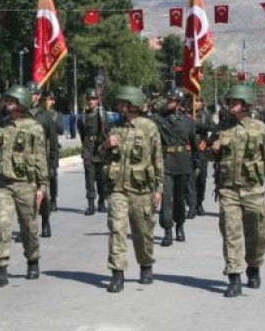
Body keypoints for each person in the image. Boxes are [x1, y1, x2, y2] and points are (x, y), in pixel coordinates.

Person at [207, 85, 265, 298]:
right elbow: (209, 157)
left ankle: (254, 266)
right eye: (229, 102)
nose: (230, 105)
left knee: (257, 235)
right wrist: (213, 151)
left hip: (253, 190)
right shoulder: (221, 128)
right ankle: (234, 277)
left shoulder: (260, 128)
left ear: (246, 104)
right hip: (228, 190)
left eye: (235, 102)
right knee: (231, 234)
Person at [100, 86, 163, 293]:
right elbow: (102, 155)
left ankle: (146, 264)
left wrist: (158, 188)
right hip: (118, 188)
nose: (118, 106)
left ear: (131, 104)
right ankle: (117, 273)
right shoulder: (114, 127)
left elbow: (157, 159)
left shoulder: (149, 128)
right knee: (117, 229)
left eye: (122, 103)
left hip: (142, 189)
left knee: (142, 231)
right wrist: (106, 145)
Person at [0, 84, 48, 287]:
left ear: (21, 103)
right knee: (2, 225)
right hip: (4, 185)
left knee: (28, 228)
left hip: (26, 185)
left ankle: (33, 259)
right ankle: (1, 268)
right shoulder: (2, 125)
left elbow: (40, 158)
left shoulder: (34, 127)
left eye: (11, 101)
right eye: (6, 101)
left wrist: (42, 187)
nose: (7, 104)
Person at [155, 88, 198, 246]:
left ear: (179, 102)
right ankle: (167, 230)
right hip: (165, 162)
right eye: (168, 99)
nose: (169, 102)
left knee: (179, 199)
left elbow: (194, 145)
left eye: (172, 99)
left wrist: (195, 164)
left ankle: (180, 226)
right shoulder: (160, 120)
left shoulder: (188, 122)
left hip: (182, 163)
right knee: (166, 199)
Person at [26, 81, 58, 238]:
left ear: (38, 96)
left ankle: (45, 222)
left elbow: (53, 143)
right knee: (25, 197)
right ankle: (28, 228)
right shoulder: (22, 115)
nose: (30, 97)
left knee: (43, 196)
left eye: (32, 94)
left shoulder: (45, 117)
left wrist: (53, 165)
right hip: (24, 163)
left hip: (42, 163)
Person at [76, 88, 109, 215]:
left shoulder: (101, 114)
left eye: (93, 99)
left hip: (99, 148)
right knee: (89, 178)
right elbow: (82, 133)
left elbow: (106, 130)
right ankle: (90, 205)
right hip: (88, 149)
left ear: (97, 101)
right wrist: (85, 147)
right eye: (89, 99)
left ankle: (101, 200)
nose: (90, 101)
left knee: (101, 178)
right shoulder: (83, 116)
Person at [188, 97, 217, 217]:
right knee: (190, 179)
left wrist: (209, 142)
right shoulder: (185, 114)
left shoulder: (206, 115)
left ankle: (199, 203)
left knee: (201, 179)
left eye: (197, 101)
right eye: (193, 101)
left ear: (202, 102)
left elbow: (214, 128)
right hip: (188, 150)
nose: (194, 103)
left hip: (201, 150)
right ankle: (192, 206)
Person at [42, 91, 65, 211]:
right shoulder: (39, 114)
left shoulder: (57, 115)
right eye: (45, 99)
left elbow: (61, 130)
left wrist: (52, 120)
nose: (47, 101)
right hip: (40, 148)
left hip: (52, 147)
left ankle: (53, 199)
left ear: (53, 101)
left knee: (52, 175)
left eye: (50, 99)